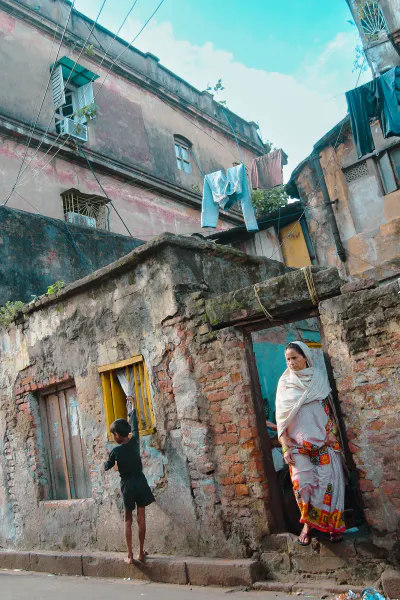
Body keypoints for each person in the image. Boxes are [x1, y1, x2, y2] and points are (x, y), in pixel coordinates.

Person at [275, 341, 346, 546]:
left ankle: (332, 526)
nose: (291, 362)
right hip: (297, 447)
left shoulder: (318, 380)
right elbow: (281, 420)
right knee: (302, 485)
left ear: (305, 357)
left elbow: (329, 410)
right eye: (287, 359)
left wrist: (332, 432)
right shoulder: (285, 384)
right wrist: (285, 447)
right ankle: (308, 525)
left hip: (324, 444)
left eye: (294, 358)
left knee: (326, 486)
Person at [104, 396, 155, 563]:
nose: (113, 437)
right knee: (141, 518)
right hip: (140, 482)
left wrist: (111, 462)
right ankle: (141, 552)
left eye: (113, 434)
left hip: (127, 486)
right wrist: (132, 406)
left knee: (128, 519)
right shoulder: (135, 442)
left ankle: (130, 556)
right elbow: (135, 425)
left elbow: (107, 466)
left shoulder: (116, 451)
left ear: (117, 435)